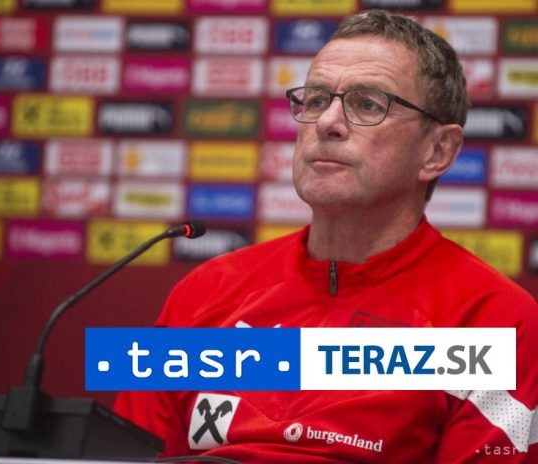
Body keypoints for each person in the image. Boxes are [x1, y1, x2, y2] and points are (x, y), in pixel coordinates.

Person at [114, 10, 538, 463]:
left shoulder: (495, 321)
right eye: (316, 100)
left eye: (368, 105)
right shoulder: (204, 293)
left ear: (437, 151)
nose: (326, 123)